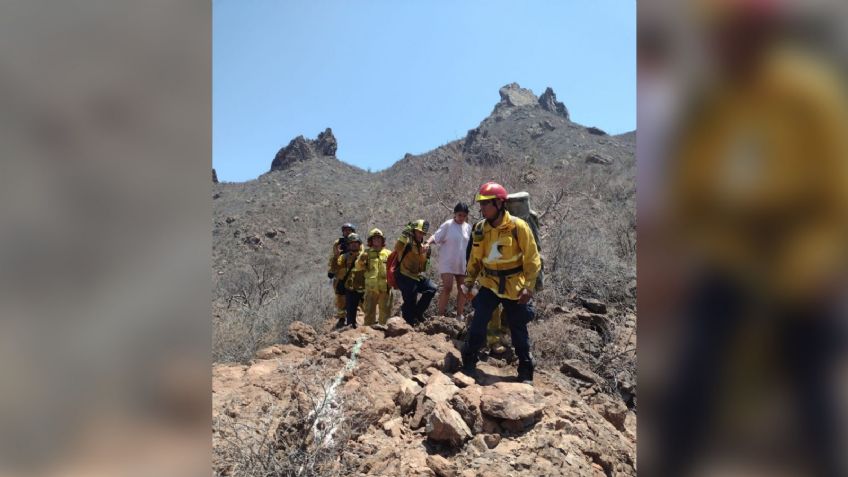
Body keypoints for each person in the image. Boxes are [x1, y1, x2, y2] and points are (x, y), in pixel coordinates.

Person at [460, 182, 541, 383]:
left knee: (518, 327)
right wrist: (468, 282)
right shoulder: (480, 229)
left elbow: (532, 258)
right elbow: (475, 259)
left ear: (499, 203)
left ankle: (525, 369)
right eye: (481, 204)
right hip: (489, 283)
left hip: (515, 285)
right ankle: (469, 360)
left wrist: (528, 287)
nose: (482, 208)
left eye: (486, 204)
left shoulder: (518, 227)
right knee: (479, 322)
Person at [425, 202, 472, 319]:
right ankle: (440, 315)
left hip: (462, 263)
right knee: (448, 287)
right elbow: (436, 236)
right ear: (455, 214)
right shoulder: (448, 225)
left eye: (464, 215)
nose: (461, 218)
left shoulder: (468, 228)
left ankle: (459, 315)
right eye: (459, 215)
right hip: (448, 262)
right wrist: (427, 243)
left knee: (463, 289)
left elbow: (473, 245)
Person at [394, 220, 437, 325]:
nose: (421, 235)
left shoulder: (423, 246)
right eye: (419, 232)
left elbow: (423, 268)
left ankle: (417, 313)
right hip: (404, 275)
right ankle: (408, 324)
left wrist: (427, 256)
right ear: (413, 231)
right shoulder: (407, 242)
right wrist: (404, 235)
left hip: (415, 276)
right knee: (411, 299)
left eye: (423, 233)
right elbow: (397, 248)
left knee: (431, 288)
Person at [357, 228, 393, 326]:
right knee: (368, 313)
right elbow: (358, 267)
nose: (376, 240)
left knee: (385, 313)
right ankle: (369, 334)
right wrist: (361, 260)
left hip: (385, 288)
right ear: (371, 241)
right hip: (370, 289)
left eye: (379, 238)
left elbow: (393, 269)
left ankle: (383, 334)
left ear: (382, 240)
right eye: (374, 239)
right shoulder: (366, 253)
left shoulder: (388, 253)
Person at [336, 233, 365, 329]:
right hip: (351, 287)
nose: (354, 245)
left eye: (356, 243)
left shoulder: (365, 255)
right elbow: (337, 267)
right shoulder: (344, 257)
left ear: (359, 244)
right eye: (351, 243)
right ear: (348, 245)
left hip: (364, 287)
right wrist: (337, 252)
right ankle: (350, 330)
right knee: (350, 312)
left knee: (369, 310)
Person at [328, 223, 356, 321]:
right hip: (340, 274)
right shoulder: (338, 243)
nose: (347, 232)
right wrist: (331, 271)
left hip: (354, 274)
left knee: (353, 296)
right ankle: (341, 318)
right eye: (345, 230)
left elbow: (361, 255)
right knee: (340, 296)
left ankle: (352, 318)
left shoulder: (357, 241)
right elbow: (334, 258)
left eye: (349, 230)